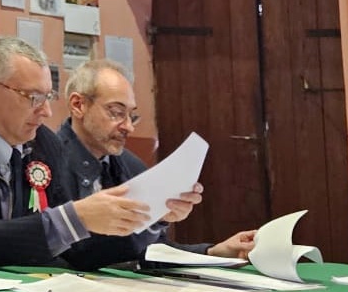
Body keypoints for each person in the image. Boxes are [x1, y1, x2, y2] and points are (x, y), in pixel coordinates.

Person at [0, 36, 204, 269]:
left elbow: (76, 252)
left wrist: (147, 218)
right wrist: (77, 217)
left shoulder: (43, 144)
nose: (46, 112)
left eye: (48, 98)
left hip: (2, 288)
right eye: (33, 98)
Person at [57, 59, 255, 259]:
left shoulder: (131, 165)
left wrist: (212, 252)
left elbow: (153, 251)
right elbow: (71, 254)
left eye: (132, 116)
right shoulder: (48, 162)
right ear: (78, 105)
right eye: (116, 113)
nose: (128, 127)